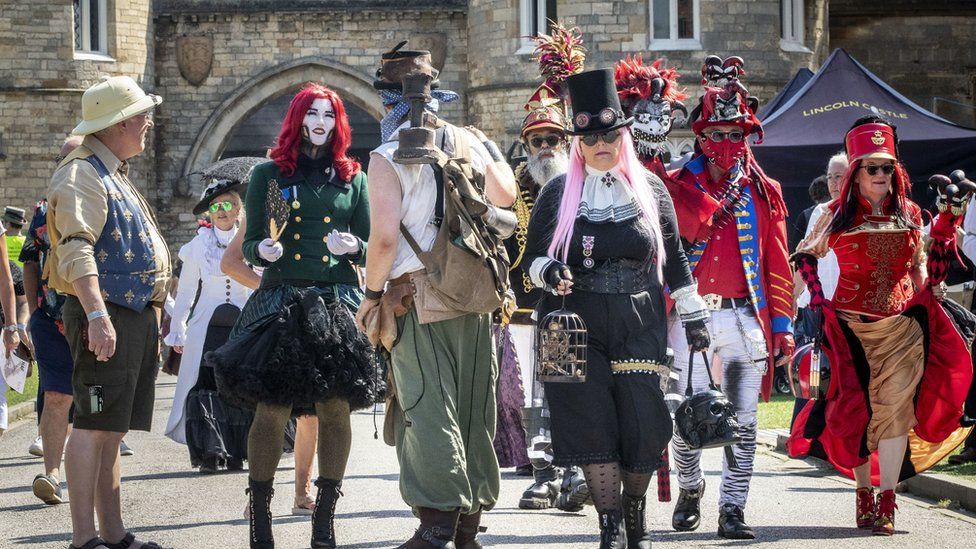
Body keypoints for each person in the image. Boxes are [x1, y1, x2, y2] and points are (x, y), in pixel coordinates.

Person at [523, 68, 710, 549]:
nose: (600, 143)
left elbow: (675, 258)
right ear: (578, 143)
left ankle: (635, 521)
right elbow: (529, 264)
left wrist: (693, 315)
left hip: (639, 318)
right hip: (575, 322)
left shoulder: (650, 189)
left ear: (621, 136)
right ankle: (610, 528)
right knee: (592, 421)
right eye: (589, 136)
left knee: (643, 421)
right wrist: (550, 272)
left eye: (608, 134)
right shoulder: (557, 192)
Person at [355, 42, 516, 548]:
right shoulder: (469, 140)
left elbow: (383, 239)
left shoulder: (384, 157)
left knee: (427, 408)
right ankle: (468, 527)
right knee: (473, 406)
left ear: (388, 101)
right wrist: (478, 147)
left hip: (416, 300)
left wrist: (370, 294)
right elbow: (507, 198)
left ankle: (435, 526)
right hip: (474, 294)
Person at [207, 83, 378, 549]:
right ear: (298, 120)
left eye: (328, 115)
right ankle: (260, 519)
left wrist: (354, 246)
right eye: (312, 115)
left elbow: (369, 238)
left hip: (334, 300)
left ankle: (324, 519)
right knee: (273, 404)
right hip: (282, 296)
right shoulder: (268, 174)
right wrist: (259, 248)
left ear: (338, 123)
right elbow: (250, 241)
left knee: (335, 406)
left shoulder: (353, 178)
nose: (320, 123)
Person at [789, 116, 974, 535]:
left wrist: (946, 229)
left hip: (902, 330)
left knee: (894, 413)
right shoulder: (834, 215)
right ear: (855, 172)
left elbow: (924, 269)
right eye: (872, 167)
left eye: (887, 166)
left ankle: (888, 502)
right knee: (856, 416)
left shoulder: (909, 213)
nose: (880, 174)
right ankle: (862, 492)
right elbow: (804, 257)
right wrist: (815, 300)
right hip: (850, 330)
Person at [664, 58, 795, 540]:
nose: (728, 144)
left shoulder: (765, 192)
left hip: (744, 320)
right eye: (718, 134)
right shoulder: (677, 186)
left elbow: (776, 262)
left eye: (737, 133)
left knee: (744, 422)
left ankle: (733, 509)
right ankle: (691, 486)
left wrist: (781, 328)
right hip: (691, 319)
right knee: (687, 416)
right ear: (701, 137)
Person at [47, 76, 171, 549]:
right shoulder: (81, 173)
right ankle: (84, 539)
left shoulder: (109, 170)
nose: (148, 123)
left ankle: (113, 533)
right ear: (117, 123)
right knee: (94, 423)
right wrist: (98, 316)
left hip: (129, 315)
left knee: (111, 428)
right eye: (141, 115)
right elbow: (76, 250)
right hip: (108, 316)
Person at [614, 52, 688, 505]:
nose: (653, 121)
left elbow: (678, 250)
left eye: (660, 113)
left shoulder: (671, 182)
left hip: (664, 305)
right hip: (608, 302)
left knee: (657, 399)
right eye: (642, 110)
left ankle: (647, 497)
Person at [221, 211, 321, 516]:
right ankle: (259, 496)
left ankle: (302, 493)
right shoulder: (264, 201)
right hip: (275, 316)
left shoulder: (329, 193)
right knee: (272, 409)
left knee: (312, 411)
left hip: (318, 311)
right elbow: (230, 262)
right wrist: (267, 284)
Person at [164, 174, 254, 473]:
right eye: (216, 207)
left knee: (241, 386)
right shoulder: (196, 247)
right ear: (209, 213)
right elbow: (187, 290)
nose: (223, 211)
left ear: (238, 209)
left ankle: (240, 450)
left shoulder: (252, 241)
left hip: (244, 325)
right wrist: (178, 328)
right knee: (207, 386)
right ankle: (211, 450)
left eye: (228, 204)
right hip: (207, 327)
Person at [21, 136, 81, 505]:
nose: (63, 165)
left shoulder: (101, 201)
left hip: (93, 320)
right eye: (59, 158)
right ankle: (52, 474)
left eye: (70, 158)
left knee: (93, 400)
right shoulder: (43, 210)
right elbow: (30, 259)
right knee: (57, 394)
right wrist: (31, 312)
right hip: (50, 317)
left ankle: (90, 471)